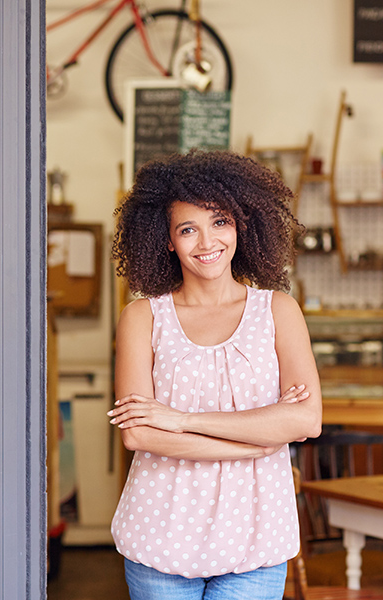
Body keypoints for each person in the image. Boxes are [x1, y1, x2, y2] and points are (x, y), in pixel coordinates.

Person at [107, 150, 322, 600]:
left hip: (256, 537)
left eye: (220, 222)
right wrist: (256, 441)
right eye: (188, 229)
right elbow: (139, 435)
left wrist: (180, 419)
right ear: (166, 240)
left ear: (242, 225)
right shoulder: (141, 317)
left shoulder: (279, 311)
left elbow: (305, 421)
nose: (207, 242)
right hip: (160, 535)